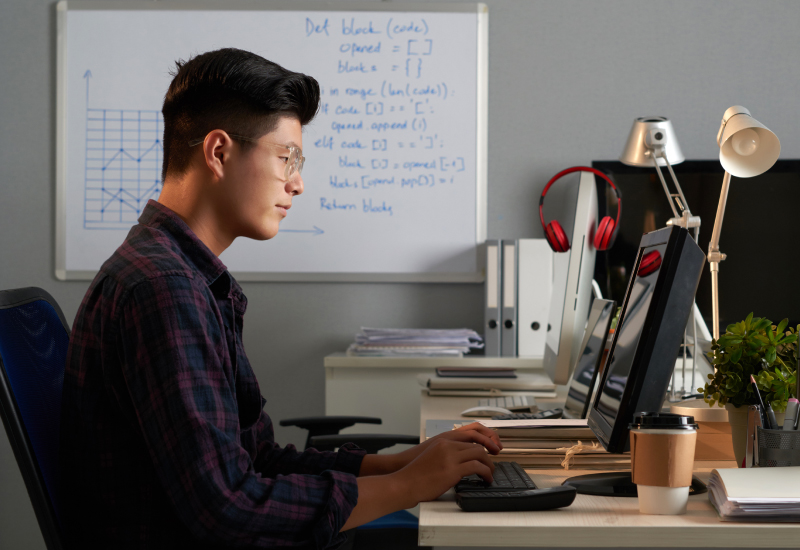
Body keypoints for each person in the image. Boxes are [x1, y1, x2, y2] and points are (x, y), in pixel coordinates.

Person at [59, 47, 501, 549]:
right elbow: (229, 510)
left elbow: (255, 460)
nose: (298, 182)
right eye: (286, 157)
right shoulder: (163, 290)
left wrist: (401, 462)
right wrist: (406, 487)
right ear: (219, 152)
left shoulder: (184, 275)